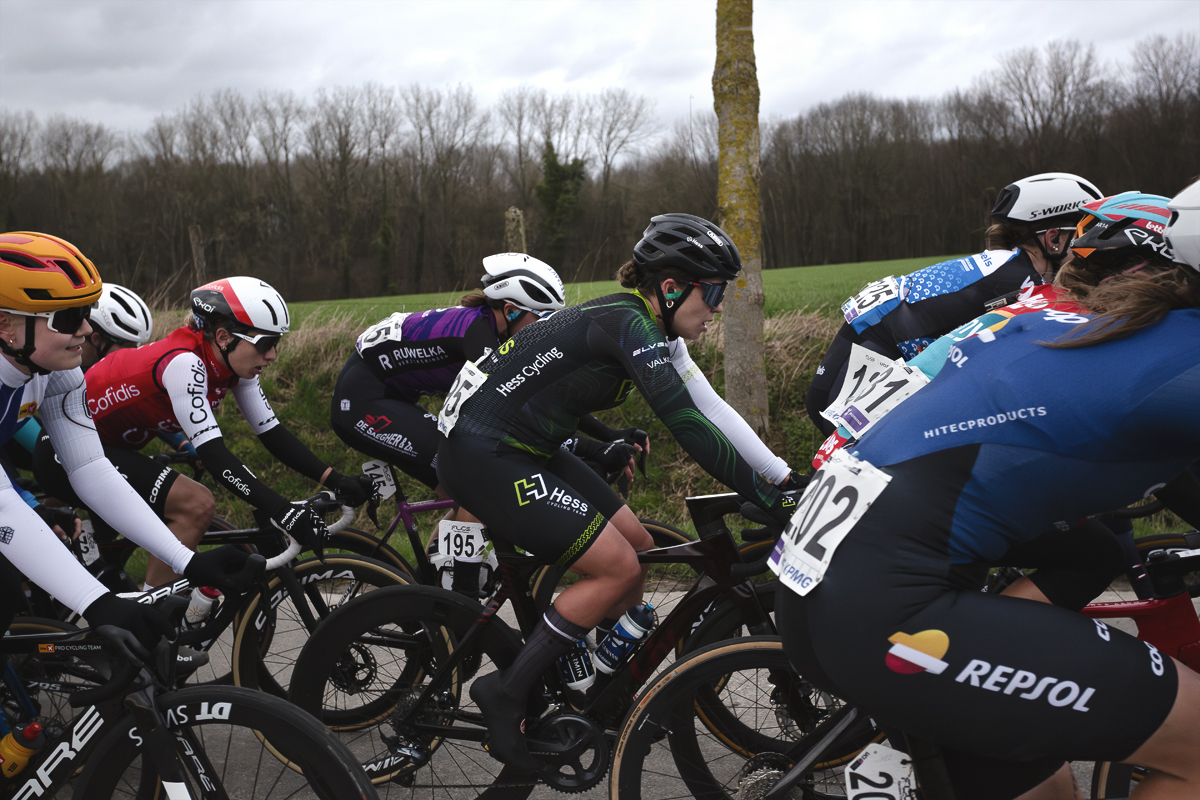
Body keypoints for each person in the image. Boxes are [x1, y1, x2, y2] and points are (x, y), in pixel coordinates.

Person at [774, 179, 1200, 799]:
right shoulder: (1176, 355)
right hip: (888, 606)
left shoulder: (1064, 320)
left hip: (821, 589)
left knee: (1048, 787)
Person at [436, 214, 797, 772]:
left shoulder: (651, 326)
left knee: (638, 542)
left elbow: (712, 408)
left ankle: (596, 683)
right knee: (620, 570)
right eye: (716, 291)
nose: (720, 307)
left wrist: (781, 479)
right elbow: (686, 424)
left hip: (526, 444)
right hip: (486, 454)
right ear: (673, 287)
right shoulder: (629, 326)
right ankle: (506, 692)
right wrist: (767, 498)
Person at [0, 231, 251, 657]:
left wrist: (184, 560)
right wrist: (96, 604)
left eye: (86, 312)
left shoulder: (56, 371)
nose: (84, 328)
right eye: (67, 317)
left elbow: (90, 469)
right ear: (6, 325)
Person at [34, 276, 375, 588]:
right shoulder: (185, 362)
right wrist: (282, 511)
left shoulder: (233, 365)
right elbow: (216, 456)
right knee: (195, 504)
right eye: (265, 343)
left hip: (106, 449)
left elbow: (272, 434)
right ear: (224, 337)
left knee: (124, 558)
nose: (272, 355)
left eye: (277, 343)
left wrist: (335, 479)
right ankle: (157, 627)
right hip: (64, 450)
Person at [805, 172, 1103, 436]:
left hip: (865, 344)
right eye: (1080, 236)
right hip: (870, 358)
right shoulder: (1022, 282)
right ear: (1053, 239)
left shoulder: (1006, 265)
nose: (1087, 249)